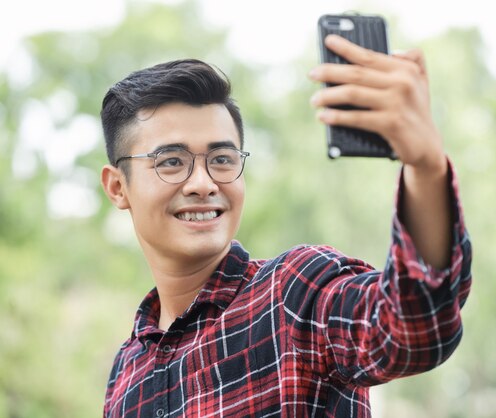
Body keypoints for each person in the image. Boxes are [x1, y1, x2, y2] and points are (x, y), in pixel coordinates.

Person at [99, 33, 472, 418]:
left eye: (223, 159)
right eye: (171, 161)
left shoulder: (294, 294)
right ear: (117, 186)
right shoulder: (127, 370)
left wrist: (426, 168)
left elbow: (411, 329)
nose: (203, 184)